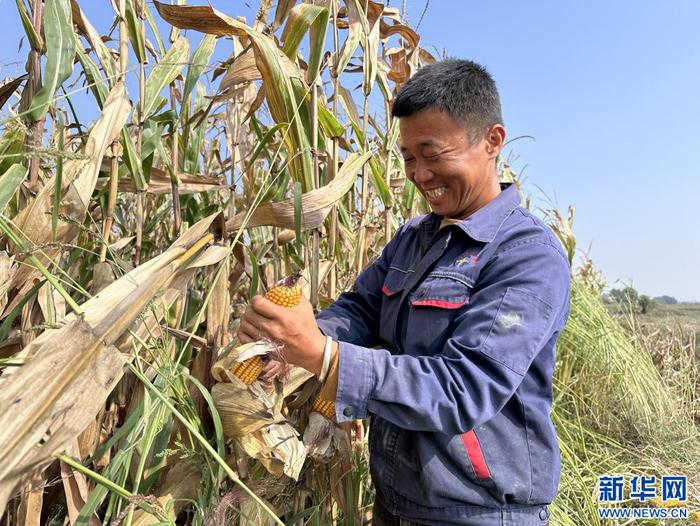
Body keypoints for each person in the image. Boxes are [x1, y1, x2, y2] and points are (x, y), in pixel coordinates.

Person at [238, 59, 570, 526]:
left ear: (492, 141)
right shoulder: (415, 239)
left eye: (432, 154)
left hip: (478, 511)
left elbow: (463, 390)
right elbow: (361, 310)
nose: (419, 174)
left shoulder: (527, 257)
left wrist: (326, 357)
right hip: (396, 500)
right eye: (409, 157)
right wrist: (290, 342)